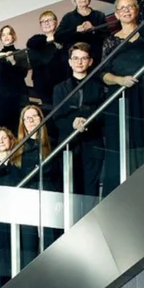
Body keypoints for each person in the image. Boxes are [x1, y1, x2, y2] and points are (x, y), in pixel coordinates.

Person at [101, 0, 144, 189]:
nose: (126, 11)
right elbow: (103, 74)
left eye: (130, 6)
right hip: (120, 97)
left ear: (136, 10)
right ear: (116, 14)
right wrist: (120, 80)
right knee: (120, 143)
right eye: (122, 8)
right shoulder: (110, 41)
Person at [52, 42, 105, 197]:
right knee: (71, 190)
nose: (79, 62)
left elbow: (102, 113)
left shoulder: (99, 87)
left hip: (92, 143)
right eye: (75, 58)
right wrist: (73, 123)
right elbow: (57, 117)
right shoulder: (60, 88)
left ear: (90, 61)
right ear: (70, 62)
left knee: (91, 190)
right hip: (69, 144)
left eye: (83, 58)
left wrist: (86, 120)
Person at [55, 0, 108, 69]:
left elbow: (106, 37)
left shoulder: (99, 15)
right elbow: (58, 36)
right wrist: (75, 30)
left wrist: (93, 29)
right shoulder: (68, 17)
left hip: (95, 59)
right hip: (73, 63)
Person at [26, 10, 65, 108]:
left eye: (49, 20)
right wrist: (48, 40)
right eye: (43, 21)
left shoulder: (62, 38)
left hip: (62, 81)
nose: (46, 23)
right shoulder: (37, 39)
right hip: (43, 84)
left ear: (56, 22)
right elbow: (30, 43)